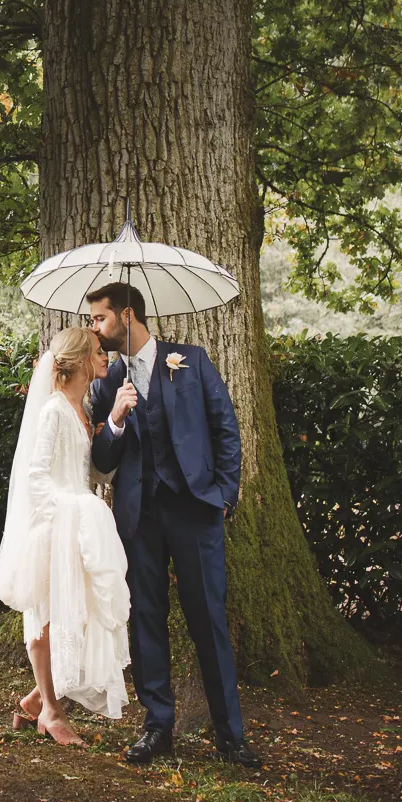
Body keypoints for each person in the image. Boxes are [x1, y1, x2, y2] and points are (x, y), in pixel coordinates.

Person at [85, 281, 263, 769]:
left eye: (99, 318)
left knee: (209, 619)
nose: (94, 329)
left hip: (194, 510)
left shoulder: (191, 360)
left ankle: (231, 735)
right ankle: (157, 726)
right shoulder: (104, 383)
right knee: (146, 620)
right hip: (139, 518)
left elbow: (225, 427)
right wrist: (117, 419)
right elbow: (101, 460)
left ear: (127, 315)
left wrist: (225, 495)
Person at [0, 326, 130, 745]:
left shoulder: (82, 408)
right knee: (45, 618)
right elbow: (35, 475)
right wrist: (69, 510)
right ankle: (51, 712)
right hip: (53, 521)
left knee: (82, 614)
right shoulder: (52, 410)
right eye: (98, 351)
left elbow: (91, 471)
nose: (105, 356)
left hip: (78, 523)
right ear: (80, 359)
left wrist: (116, 423)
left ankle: (37, 697)